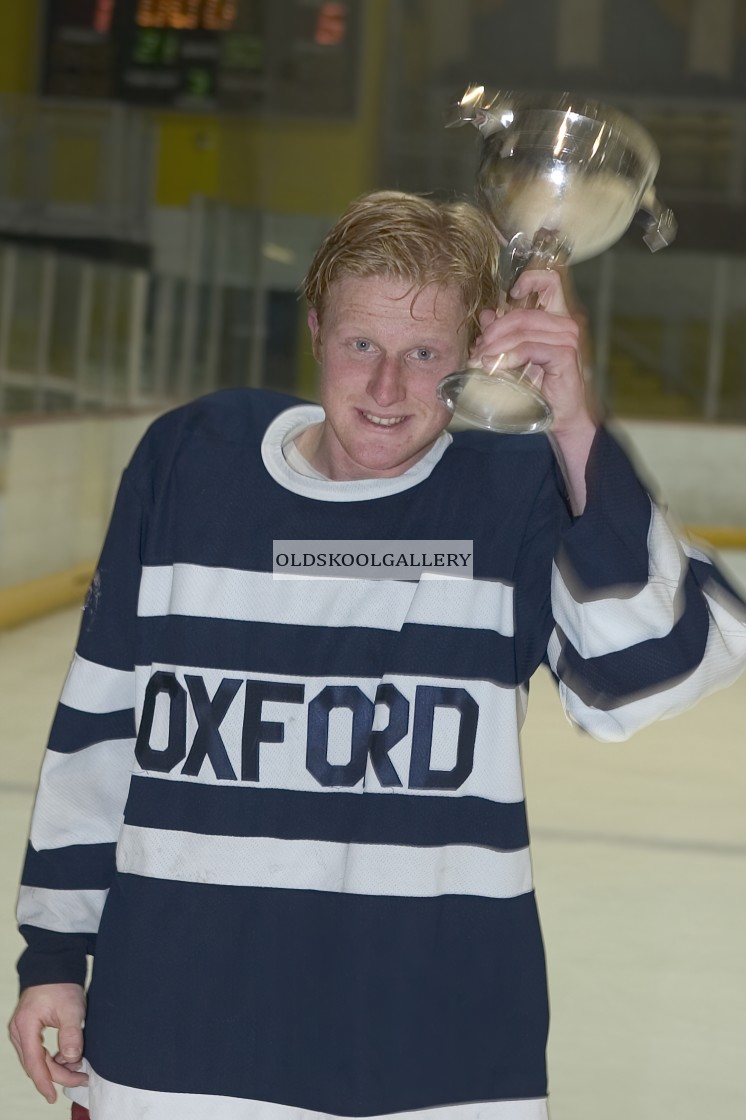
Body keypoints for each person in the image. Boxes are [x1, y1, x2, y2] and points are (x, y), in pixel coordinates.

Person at [8, 190, 746, 1120]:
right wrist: (53, 956)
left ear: (476, 350)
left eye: (425, 353)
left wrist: (570, 423)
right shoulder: (190, 462)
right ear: (315, 328)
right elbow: (100, 723)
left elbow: (652, 674)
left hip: (429, 1062)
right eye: (362, 345)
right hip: (171, 1041)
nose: (388, 389)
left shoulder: (509, 494)